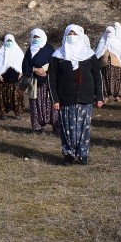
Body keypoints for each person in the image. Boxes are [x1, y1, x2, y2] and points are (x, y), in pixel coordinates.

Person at [48, 25, 103, 165]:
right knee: (67, 129)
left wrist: (100, 96)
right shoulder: (57, 56)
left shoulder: (89, 54)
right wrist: (55, 99)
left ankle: (83, 155)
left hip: (86, 97)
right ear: (65, 36)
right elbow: (52, 79)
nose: (72, 37)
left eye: (75, 34)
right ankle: (68, 155)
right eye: (69, 34)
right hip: (66, 98)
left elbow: (97, 76)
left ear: (80, 36)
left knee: (84, 129)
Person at [23, 28, 57, 135]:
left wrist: (44, 69)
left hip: (47, 82)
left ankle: (56, 127)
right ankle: (37, 127)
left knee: (51, 104)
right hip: (34, 83)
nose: (36, 39)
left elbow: (55, 62)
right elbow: (25, 66)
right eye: (34, 37)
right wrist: (35, 70)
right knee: (35, 104)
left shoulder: (49, 49)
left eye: (38, 37)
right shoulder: (29, 50)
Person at [0, 33, 25, 118]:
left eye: (10, 41)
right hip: (4, 79)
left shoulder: (18, 52)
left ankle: (17, 113)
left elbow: (23, 64)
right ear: (5, 41)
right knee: (3, 97)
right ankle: (3, 113)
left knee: (16, 96)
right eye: (7, 41)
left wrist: (22, 72)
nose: (9, 42)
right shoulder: (1, 52)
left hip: (16, 79)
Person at [95, 25, 121, 102]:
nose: (108, 33)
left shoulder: (117, 42)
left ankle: (117, 95)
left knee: (117, 79)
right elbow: (97, 53)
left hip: (116, 64)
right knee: (104, 80)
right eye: (107, 32)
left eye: (110, 32)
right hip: (104, 64)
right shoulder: (102, 42)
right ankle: (105, 96)